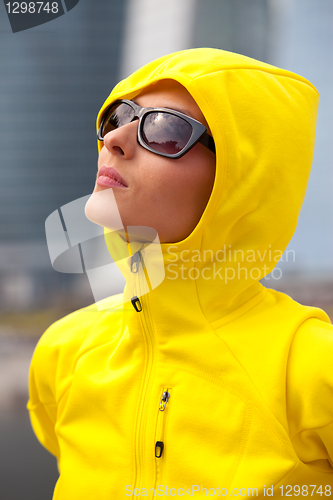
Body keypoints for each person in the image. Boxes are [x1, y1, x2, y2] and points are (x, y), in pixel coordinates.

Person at [27, 48, 333, 498]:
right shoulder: (62, 354)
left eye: (165, 130)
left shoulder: (308, 366)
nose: (115, 140)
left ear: (240, 184)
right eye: (118, 117)